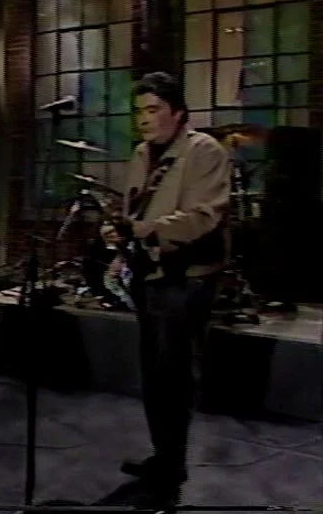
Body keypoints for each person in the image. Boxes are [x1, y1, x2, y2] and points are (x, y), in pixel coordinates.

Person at [116, 72, 230, 487]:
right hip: (149, 273)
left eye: (153, 110)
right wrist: (120, 233)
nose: (144, 119)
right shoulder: (141, 153)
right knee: (153, 371)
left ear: (178, 113)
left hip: (186, 278)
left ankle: (172, 463)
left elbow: (203, 216)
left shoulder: (204, 150)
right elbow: (134, 211)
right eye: (138, 112)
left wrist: (147, 230)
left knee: (173, 371)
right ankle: (162, 455)